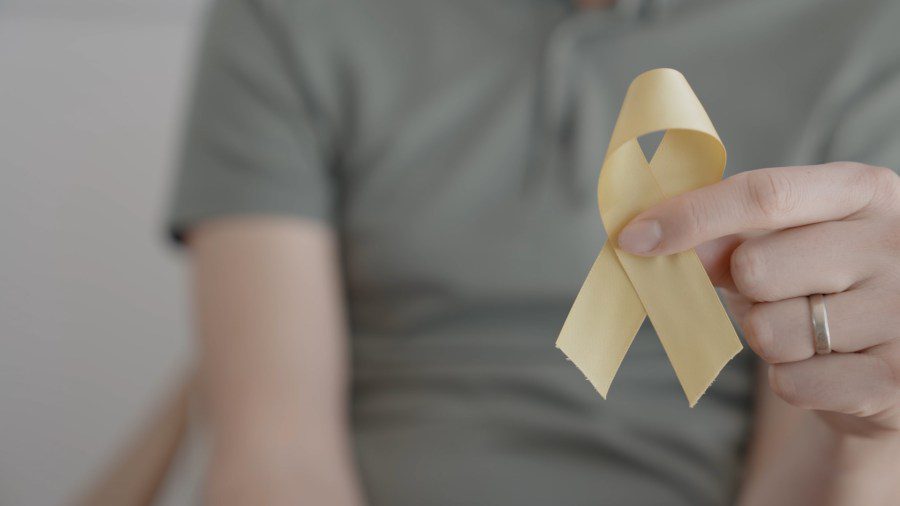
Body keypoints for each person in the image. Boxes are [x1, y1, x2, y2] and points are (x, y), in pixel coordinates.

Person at [167, 0, 900, 504]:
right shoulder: (288, 18)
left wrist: (871, 434)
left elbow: (815, 460)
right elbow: (272, 458)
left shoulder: (870, 34)